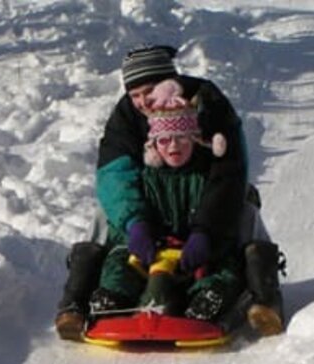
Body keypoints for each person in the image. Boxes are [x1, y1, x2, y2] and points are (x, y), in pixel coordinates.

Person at [54, 44, 285, 340]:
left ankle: (264, 297)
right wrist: (135, 222)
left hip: (203, 200)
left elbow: (228, 174)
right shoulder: (126, 115)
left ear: (168, 82)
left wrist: (206, 230)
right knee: (103, 218)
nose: (141, 102)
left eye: (148, 92)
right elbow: (114, 175)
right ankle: (77, 301)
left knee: (245, 212)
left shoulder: (210, 104)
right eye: (134, 94)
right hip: (154, 204)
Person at [88, 91, 246, 321]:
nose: (173, 146)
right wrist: (138, 234)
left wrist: (208, 238)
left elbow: (221, 214)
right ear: (153, 145)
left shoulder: (205, 176)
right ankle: (112, 299)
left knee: (225, 268)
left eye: (181, 138)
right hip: (152, 252)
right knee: (118, 263)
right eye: (164, 140)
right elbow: (125, 217)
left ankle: (206, 300)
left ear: (194, 139)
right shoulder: (145, 179)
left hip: (196, 252)